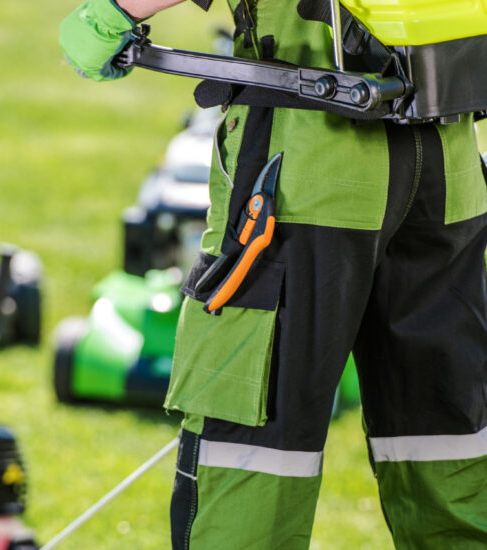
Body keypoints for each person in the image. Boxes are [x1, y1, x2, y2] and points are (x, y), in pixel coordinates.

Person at [59, 1, 487, 548]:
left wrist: (112, 12)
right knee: (449, 439)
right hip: (448, 164)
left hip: (309, 163)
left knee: (254, 457)